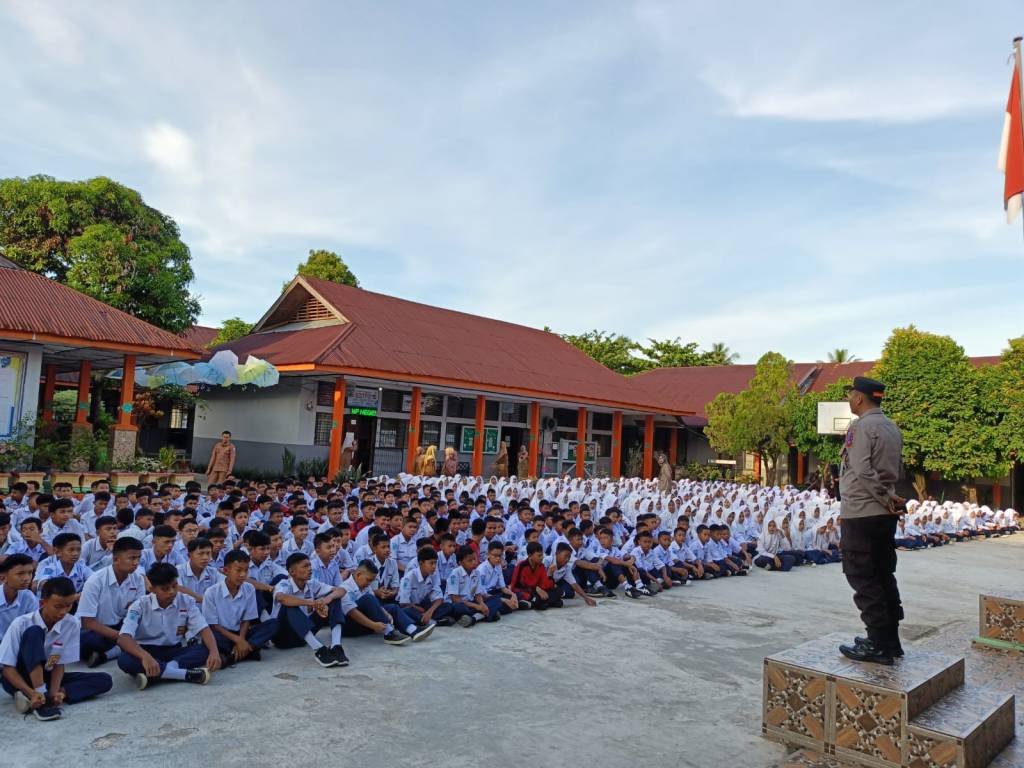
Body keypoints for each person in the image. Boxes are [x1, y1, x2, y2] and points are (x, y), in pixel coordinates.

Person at [837, 377, 906, 665]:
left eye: (851, 394)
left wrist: (883, 497)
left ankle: (878, 644)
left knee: (863, 575)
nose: (850, 398)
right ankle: (890, 640)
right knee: (882, 575)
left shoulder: (862, 427)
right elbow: (895, 469)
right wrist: (889, 496)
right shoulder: (892, 427)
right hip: (882, 515)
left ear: (860, 399)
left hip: (863, 513)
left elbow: (863, 470)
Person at [0, 577, 112, 720]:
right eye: (58, 606)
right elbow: (8, 668)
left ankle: (49, 696)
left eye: (68, 606)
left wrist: (55, 691)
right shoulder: (21, 623)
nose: (63, 612)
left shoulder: (71, 624)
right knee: (34, 632)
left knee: (104, 680)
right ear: (43, 603)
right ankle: (38, 699)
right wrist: (33, 692)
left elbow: (59, 663)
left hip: (47, 674)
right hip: (19, 675)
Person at [116, 563, 221, 689]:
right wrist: (146, 657)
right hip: (145, 650)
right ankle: (183, 674)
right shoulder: (139, 605)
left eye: (175, 586)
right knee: (124, 660)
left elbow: (203, 629)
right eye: (165, 589)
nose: (172, 592)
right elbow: (123, 638)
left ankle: (159, 674)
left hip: (173, 650)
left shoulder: (186, 601)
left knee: (205, 649)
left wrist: (214, 652)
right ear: (152, 589)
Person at [78, 537, 146, 667]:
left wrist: (127, 631)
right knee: (87, 641)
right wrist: (121, 637)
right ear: (115, 559)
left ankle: (106, 655)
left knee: (150, 630)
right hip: (97, 630)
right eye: (132, 558)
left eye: (138, 558)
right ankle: (124, 648)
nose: (136, 563)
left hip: (121, 626)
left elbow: (137, 613)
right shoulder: (95, 581)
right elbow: (87, 622)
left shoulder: (138, 580)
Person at [272, 553, 348, 668]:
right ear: (292, 572)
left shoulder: (311, 583)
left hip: (304, 634)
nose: (310, 569)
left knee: (334, 598)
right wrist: (313, 603)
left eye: (310, 566)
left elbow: (341, 590)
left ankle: (336, 646)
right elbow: (281, 598)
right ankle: (319, 649)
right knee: (289, 605)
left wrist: (325, 600)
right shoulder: (284, 584)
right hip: (284, 636)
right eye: (305, 566)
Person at [203, 550, 278, 666]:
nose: (243, 575)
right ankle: (250, 650)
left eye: (246, 570)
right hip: (222, 633)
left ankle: (233, 655)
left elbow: (247, 619)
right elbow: (213, 625)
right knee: (209, 639)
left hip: (241, 632)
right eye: (238, 570)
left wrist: (241, 639)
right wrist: (238, 640)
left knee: (273, 624)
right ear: (226, 571)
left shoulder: (249, 588)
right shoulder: (211, 592)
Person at [0, 554, 38, 640]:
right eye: (20, 573)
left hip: (19, 644)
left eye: (30, 573)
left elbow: (33, 626)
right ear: (3, 578)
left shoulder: (28, 597)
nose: (27, 578)